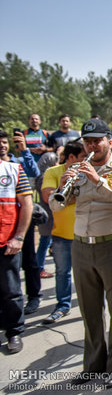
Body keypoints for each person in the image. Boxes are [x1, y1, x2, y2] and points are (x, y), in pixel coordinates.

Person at [53, 118, 112, 388]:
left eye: (96, 140)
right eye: (87, 141)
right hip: (81, 245)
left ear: (109, 142)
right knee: (89, 310)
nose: (91, 145)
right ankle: (92, 366)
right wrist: (62, 187)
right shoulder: (78, 168)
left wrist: (97, 180)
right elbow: (56, 208)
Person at [41, 141, 87, 324]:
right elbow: (48, 198)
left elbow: (61, 201)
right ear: (71, 158)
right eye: (83, 156)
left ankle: (89, 306)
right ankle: (63, 306)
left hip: (84, 234)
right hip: (61, 235)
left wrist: (62, 198)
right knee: (62, 273)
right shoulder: (52, 172)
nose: (87, 159)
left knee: (87, 275)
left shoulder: (88, 172)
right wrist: (63, 187)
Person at [0, 129, 33, 354]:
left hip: (7, 242)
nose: (2, 146)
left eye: (4, 142)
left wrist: (19, 237)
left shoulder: (14, 169)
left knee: (11, 291)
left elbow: (27, 204)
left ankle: (14, 332)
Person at [10, 130, 42, 314]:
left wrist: (24, 150)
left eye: (6, 142)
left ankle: (34, 296)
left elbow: (34, 172)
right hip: (3, 223)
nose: (3, 145)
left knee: (29, 260)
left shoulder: (17, 163)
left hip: (23, 218)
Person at [35, 151, 59, 279]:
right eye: (54, 161)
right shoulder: (45, 177)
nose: (57, 163)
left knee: (46, 242)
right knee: (44, 242)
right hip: (48, 215)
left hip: (48, 215)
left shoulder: (42, 176)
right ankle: (39, 268)